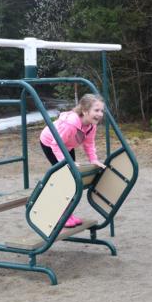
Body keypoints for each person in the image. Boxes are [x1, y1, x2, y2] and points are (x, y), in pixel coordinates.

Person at [39, 93, 106, 227]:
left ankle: (67, 213)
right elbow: (56, 144)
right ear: (85, 111)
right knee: (65, 177)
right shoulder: (70, 124)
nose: (100, 114)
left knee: (73, 179)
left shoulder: (91, 125)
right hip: (50, 143)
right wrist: (66, 163)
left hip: (67, 146)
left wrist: (94, 159)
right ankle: (59, 214)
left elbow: (89, 143)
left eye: (102, 110)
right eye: (96, 110)